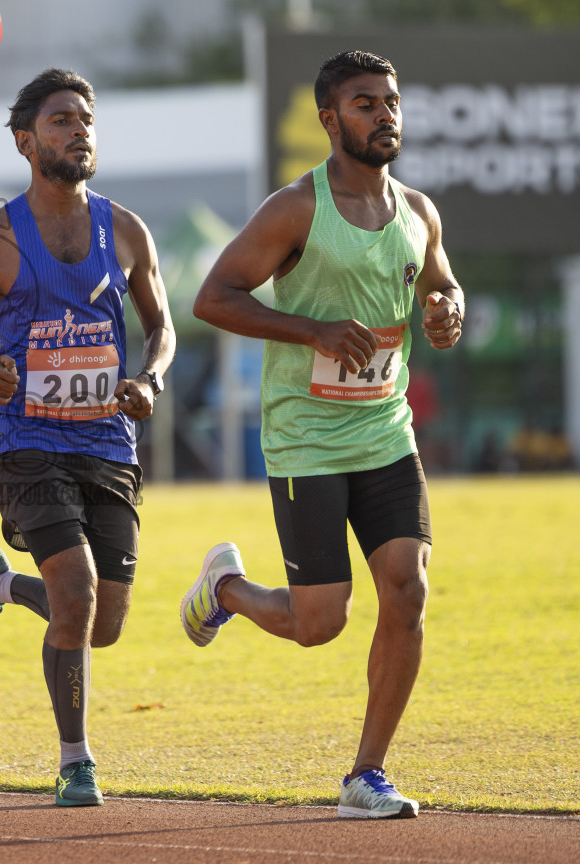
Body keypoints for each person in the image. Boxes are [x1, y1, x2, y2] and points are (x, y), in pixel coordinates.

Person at [180, 50, 463, 820]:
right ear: (329, 120)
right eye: (365, 104)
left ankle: (365, 774)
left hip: (386, 432)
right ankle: (226, 590)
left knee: (407, 590)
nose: (385, 115)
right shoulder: (295, 210)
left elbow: (439, 283)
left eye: (392, 102)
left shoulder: (418, 211)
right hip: (306, 437)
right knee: (320, 622)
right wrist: (312, 331)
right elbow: (215, 297)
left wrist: (448, 309)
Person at [0, 68, 175, 807]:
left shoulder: (127, 229)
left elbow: (161, 327)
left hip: (108, 443)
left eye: (85, 120)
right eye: (61, 120)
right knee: (74, 595)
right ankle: (76, 761)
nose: (78, 131)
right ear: (25, 140)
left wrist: (151, 379)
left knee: (102, 623)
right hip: (27, 440)